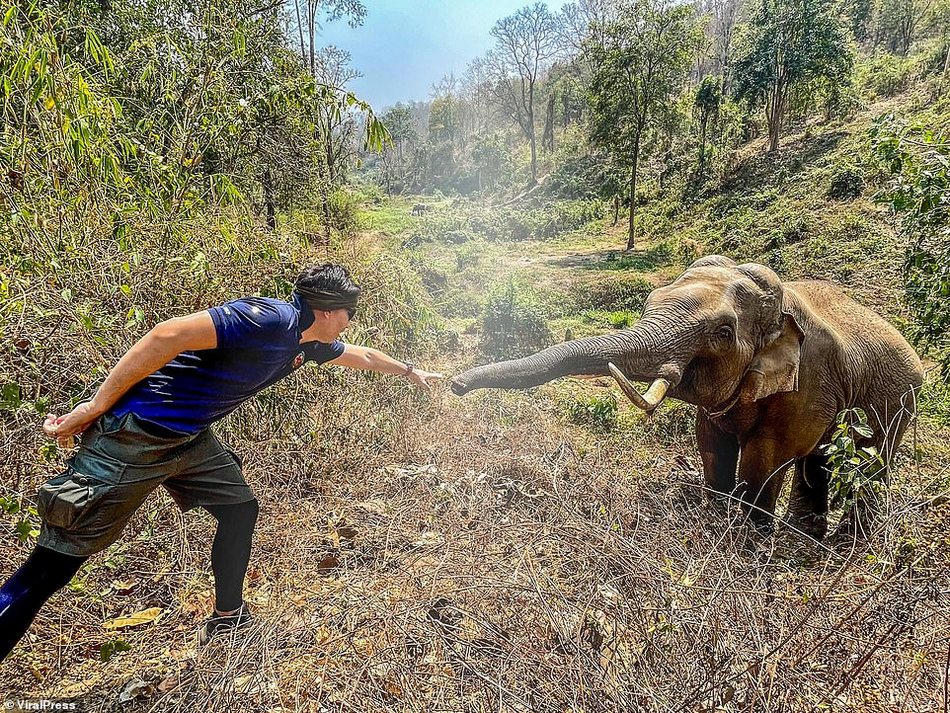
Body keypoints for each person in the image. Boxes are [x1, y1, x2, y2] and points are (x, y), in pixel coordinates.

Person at [0, 263, 441, 660]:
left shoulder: (303, 342)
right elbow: (166, 334)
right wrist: (93, 406)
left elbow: (359, 354)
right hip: (133, 438)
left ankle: (228, 617)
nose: (350, 323)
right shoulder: (270, 318)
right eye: (349, 313)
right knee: (53, 566)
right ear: (328, 310)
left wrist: (409, 370)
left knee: (239, 508)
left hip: (189, 441)